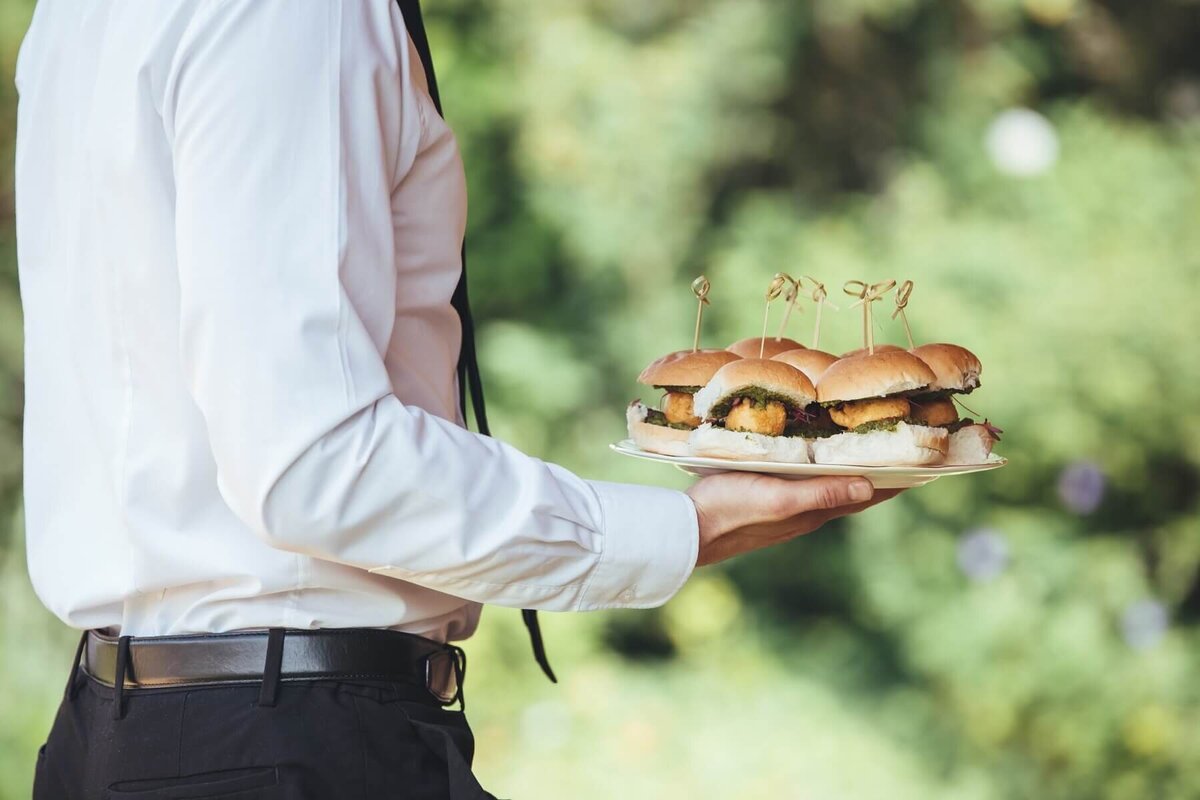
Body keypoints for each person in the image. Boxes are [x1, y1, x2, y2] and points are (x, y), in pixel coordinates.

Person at [13, 1, 899, 797]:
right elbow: (315, 464)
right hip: (287, 743)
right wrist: (683, 531)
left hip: (111, 733)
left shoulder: (75, 13)